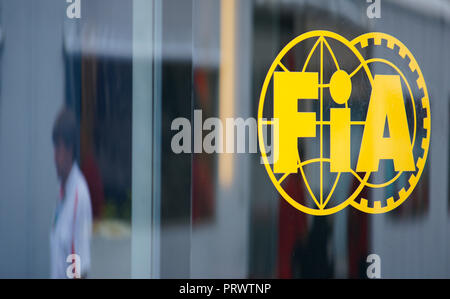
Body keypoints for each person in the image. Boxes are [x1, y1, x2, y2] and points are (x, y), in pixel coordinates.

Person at [51, 107, 93, 278]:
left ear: (69, 150)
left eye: (58, 149)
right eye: (54, 148)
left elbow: (79, 269)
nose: (54, 157)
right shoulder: (62, 190)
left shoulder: (78, 197)